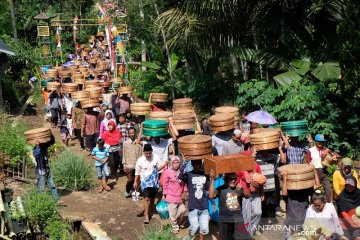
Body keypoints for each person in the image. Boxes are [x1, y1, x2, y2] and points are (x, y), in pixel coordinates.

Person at [280, 165, 320, 238]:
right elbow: (284, 193)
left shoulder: (304, 192)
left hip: (303, 224)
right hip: (291, 225)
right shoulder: (290, 195)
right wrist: (284, 178)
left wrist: (314, 171)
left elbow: (317, 185)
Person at [209, 171, 250, 240]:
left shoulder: (239, 188)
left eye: (234, 179)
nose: (233, 180)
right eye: (230, 179)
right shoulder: (220, 188)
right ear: (225, 180)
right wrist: (212, 180)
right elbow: (211, 195)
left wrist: (242, 188)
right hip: (224, 221)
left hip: (238, 220)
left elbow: (248, 196)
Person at [134, 144, 165, 224]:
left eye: (149, 153)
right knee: (146, 198)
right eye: (146, 153)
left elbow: (159, 168)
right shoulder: (140, 160)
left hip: (154, 181)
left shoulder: (156, 158)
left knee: (152, 198)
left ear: (152, 152)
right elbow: (137, 172)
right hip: (144, 182)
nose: (148, 155)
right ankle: (146, 215)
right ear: (143, 152)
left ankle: (150, 211)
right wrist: (135, 182)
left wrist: (165, 165)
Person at [179, 160, 210, 240]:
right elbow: (180, 176)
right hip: (193, 205)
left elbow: (208, 188)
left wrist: (212, 202)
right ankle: (189, 236)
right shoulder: (189, 175)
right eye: (196, 163)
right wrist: (184, 164)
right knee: (194, 227)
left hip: (204, 205)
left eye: (199, 163)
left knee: (204, 228)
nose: (198, 165)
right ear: (192, 164)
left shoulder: (205, 174)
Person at [237, 162, 264, 237]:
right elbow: (237, 179)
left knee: (258, 212)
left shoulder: (256, 165)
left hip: (256, 192)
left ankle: (249, 230)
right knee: (246, 216)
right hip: (245, 194)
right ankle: (248, 234)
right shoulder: (240, 167)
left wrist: (262, 192)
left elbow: (261, 180)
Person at [162, 156, 187, 234]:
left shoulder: (182, 171)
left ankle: (177, 223)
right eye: (174, 163)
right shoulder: (168, 172)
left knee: (183, 210)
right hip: (171, 195)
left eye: (177, 163)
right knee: (173, 213)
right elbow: (165, 184)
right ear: (171, 164)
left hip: (180, 195)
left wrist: (186, 191)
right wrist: (164, 195)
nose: (176, 165)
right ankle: (175, 227)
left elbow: (185, 183)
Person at [306, 134, 333, 202]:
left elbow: (334, 156)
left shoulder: (326, 150)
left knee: (329, 190)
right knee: (314, 190)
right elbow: (308, 162)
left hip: (324, 171)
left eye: (322, 142)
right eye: (319, 141)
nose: (321, 143)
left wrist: (333, 156)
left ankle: (329, 204)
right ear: (315, 141)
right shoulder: (311, 150)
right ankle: (312, 205)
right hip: (315, 172)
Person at [255, 149, 279, 222]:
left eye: (267, 151)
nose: (265, 152)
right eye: (264, 151)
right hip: (262, 185)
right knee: (263, 203)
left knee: (273, 202)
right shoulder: (256, 158)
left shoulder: (273, 157)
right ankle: (264, 219)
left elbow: (279, 163)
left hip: (272, 184)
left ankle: (271, 217)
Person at [123, 127, 143, 197]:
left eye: (133, 133)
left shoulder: (139, 142)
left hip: (138, 165)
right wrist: (124, 164)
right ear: (128, 134)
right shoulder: (125, 143)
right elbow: (124, 154)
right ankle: (128, 190)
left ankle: (136, 193)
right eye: (130, 133)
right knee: (130, 180)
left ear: (135, 133)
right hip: (129, 165)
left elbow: (142, 153)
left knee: (138, 180)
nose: (131, 134)